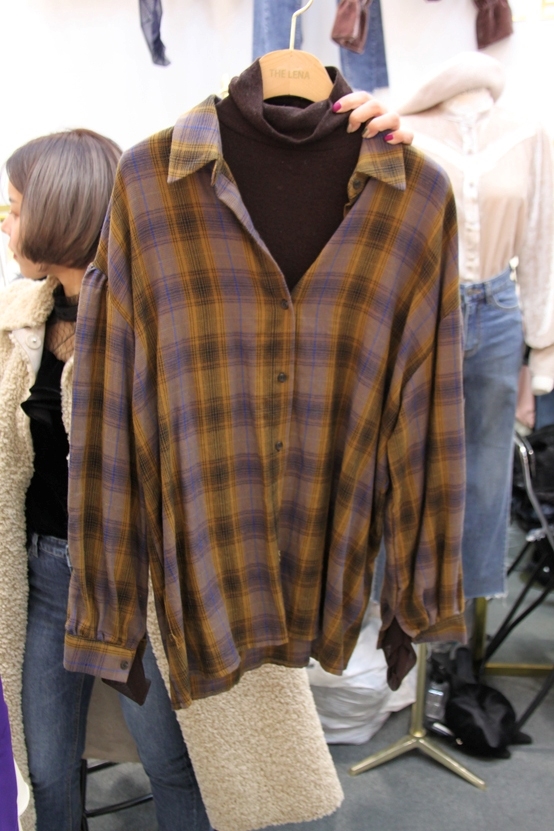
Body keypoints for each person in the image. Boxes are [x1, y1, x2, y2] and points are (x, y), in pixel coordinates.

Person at [0, 100, 411, 831]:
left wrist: (371, 149)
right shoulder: (19, 322)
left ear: (58, 213)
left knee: (174, 763)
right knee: (42, 764)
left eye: (16, 204)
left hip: (139, 582)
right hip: (46, 580)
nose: (6, 219)